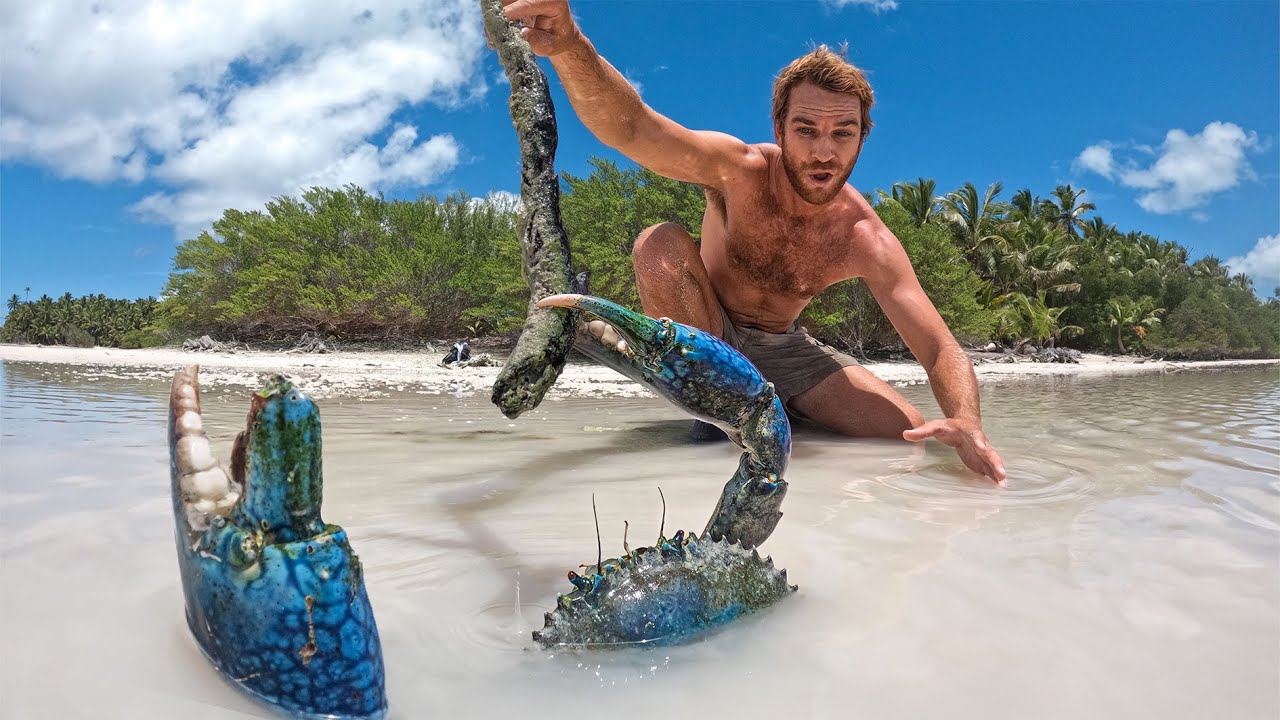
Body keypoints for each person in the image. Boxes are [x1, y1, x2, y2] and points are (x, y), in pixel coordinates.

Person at [500, 0, 1007, 485]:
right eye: (806, 129)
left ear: (862, 136)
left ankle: (774, 414)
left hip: (788, 350)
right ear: (780, 129)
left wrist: (966, 420)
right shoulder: (738, 171)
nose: (823, 151)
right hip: (708, 330)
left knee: (906, 435)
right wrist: (568, 45)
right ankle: (713, 411)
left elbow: (939, 346)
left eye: (842, 133)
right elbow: (634, 127)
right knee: (659, 246)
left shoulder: (863, 236)